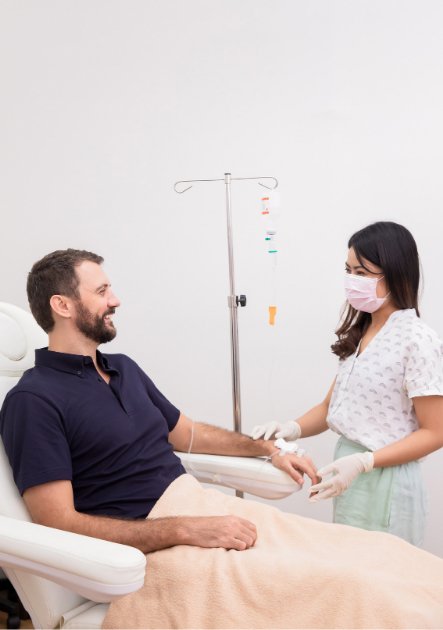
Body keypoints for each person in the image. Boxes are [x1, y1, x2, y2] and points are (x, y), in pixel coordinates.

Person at [0, 248, 318, 554]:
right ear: (63, 305)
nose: (115, 300)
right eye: (101, 291)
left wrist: (268, 449)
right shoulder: (33, 400)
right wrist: (183, 530)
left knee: (327, 547)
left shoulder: (123, 368)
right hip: (155, 546)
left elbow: (188, 434)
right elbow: (58, 524)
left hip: (197, 510)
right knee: (318, 577)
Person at [252, 221, 443, 546]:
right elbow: (330, 407)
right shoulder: (363, 334)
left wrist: (365, 461)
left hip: (385, 478)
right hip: (350, 473)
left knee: (381, 570)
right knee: (350, 565)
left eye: (362, 272)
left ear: (395, 273)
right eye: (348, 270)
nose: (352, 280)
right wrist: (290, 428)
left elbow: (435, 431)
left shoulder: (417, 339)